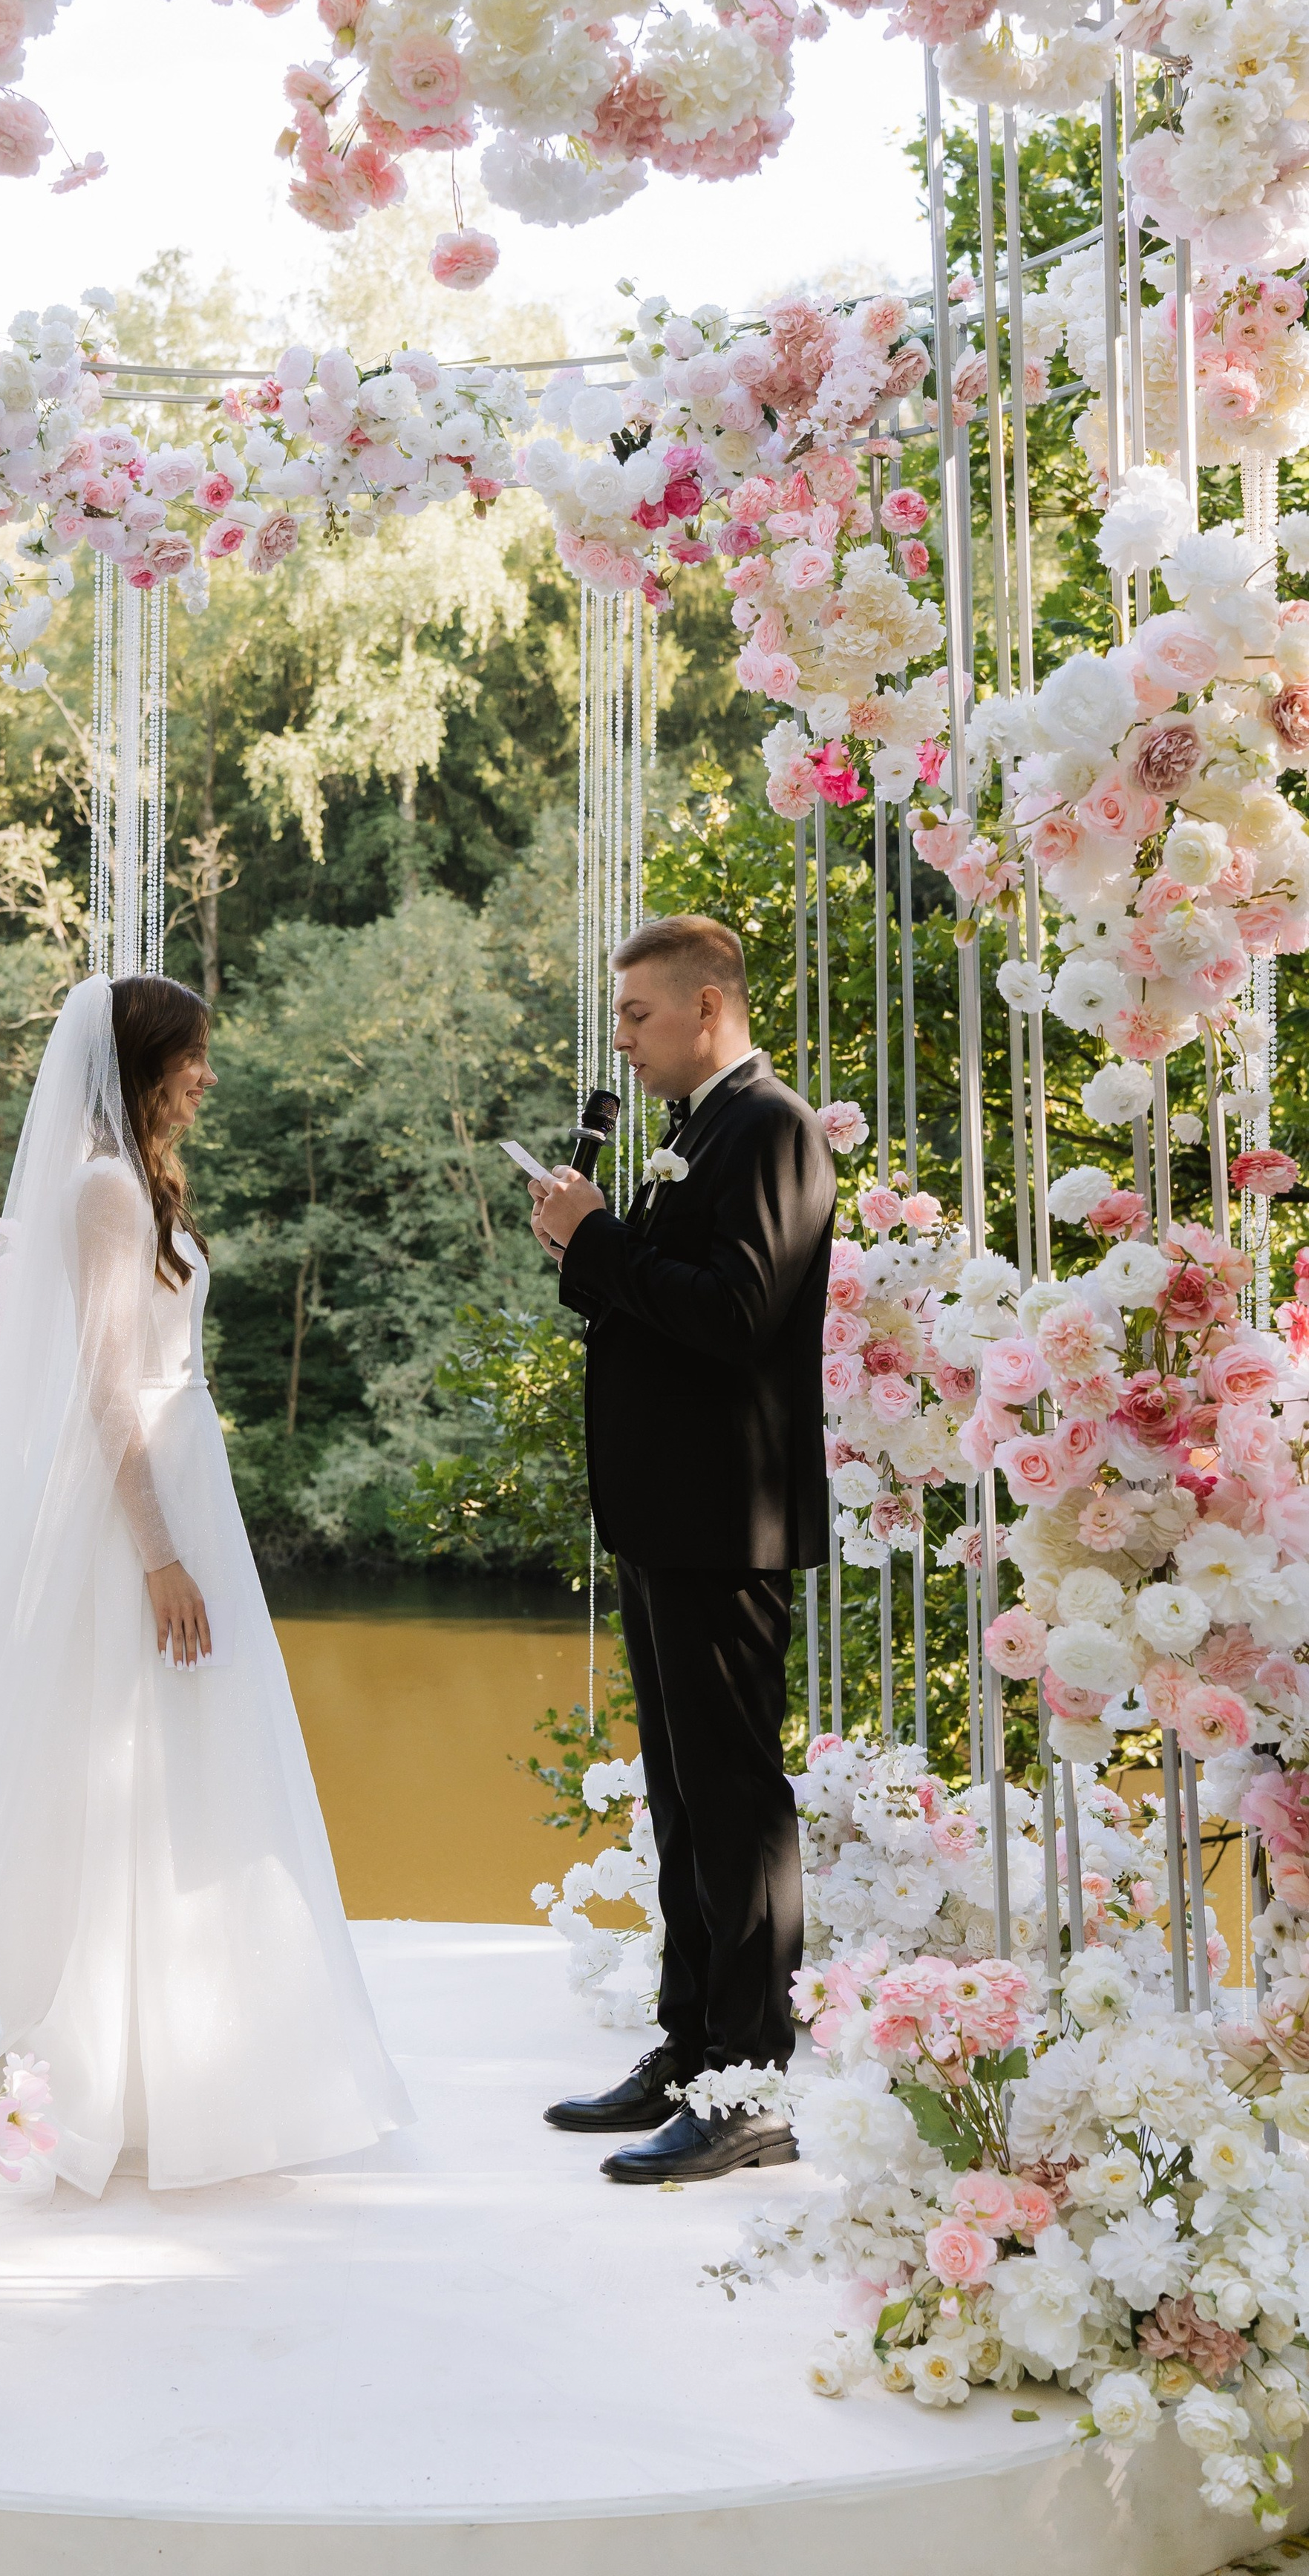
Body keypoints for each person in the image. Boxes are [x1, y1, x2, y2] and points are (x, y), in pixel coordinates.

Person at [0, 973, 411, 2194]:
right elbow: (108, 1390)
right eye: (192, 1057)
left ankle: (184, 2054)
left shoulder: (132, 1184)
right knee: (117, 1753)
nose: (206, 1077)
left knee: (188, 1762)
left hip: (182, 1483)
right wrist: (159, 1552)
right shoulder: (107, 1191)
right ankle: (94, 2068)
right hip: (140, 1509)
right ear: (141, 1064)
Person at [527, 915, 835, 2184]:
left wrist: (604, 1240)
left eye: (638, 1017)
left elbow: (740, 1315)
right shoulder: (696, 1133)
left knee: (735, 1806)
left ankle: (751, 2089)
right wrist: (584, 1237)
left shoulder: (769, 1126)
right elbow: (656, 1296)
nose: (623, 1039)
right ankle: (690, 2045)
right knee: (679, 1802)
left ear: (709, 1008)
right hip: (666, 1512)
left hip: (724, 1517)